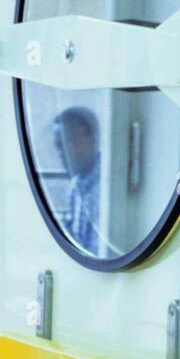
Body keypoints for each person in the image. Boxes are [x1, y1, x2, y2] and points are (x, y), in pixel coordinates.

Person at [52, 106, 103, 256]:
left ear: (92, 140)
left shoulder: (107, 187)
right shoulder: (77, 185)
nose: (61, 154)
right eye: (58, 147)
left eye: (67, 143)